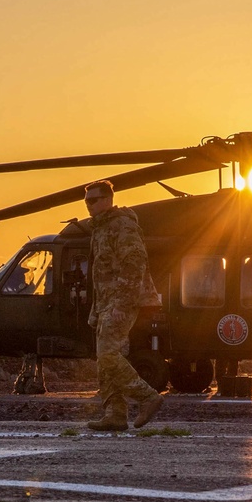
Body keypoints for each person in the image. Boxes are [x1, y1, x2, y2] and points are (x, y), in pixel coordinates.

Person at [84, 180, 164, 431]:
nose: (89, 205)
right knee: (105, 358)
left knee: (108, 354)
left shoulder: (122, 225)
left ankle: (148, 396)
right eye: (87, 201)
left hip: (121, 302)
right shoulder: (100, 229)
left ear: (108, 199)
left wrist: (121, 303)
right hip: (107, 302)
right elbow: (102, 274)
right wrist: (97, 309)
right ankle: (115, 413)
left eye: (94, 200)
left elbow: (134, 263)